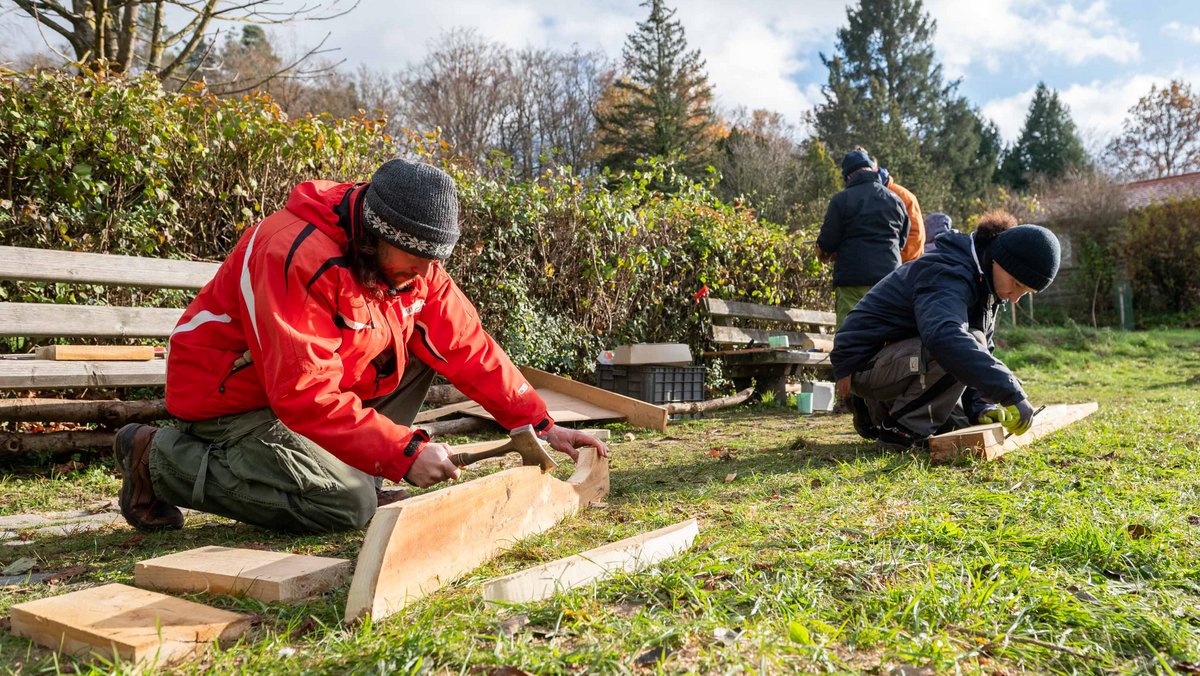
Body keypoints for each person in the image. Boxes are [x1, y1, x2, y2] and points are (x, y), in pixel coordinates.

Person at [114, 158, 609, 534]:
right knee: (347, 506)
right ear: (375, 235)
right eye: (416, 258)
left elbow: (466, 345)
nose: (425, 272)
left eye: (434, 260)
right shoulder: (293, 252)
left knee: (422, 351)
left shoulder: (416, 261)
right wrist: (403, 452)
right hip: (232, 397)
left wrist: (540, 422)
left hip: (304, 388)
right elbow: (302, 393)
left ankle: (351, 471)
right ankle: (157, 458)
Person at [830, 210, 1060, 449]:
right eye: (1017, 284)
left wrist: (982, 406)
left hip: (895, 360)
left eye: (1025, 293)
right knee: (956, 344)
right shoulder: (948, 272)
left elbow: (978, 351)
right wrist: (1011, 392)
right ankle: (900, 431)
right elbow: (945, 338)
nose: (1015, 298)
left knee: (961, 427)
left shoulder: (984, 281)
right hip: (863, 364)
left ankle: (880, 413)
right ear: (998, 260)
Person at [817, 149, 911, 328]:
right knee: (885, 331)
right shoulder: (896, 200)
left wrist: (825, 252)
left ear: (848, 177)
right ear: (872, 170)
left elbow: (827, 242)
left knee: (850, 333)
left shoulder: (841, 200)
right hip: (889, 278)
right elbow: (902, 241)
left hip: (852, 279)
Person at [876, 166, 925, 262]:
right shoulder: (866, 195)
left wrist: (896, 260)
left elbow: (915, 236)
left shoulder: (903, 196)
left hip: (905, 267)